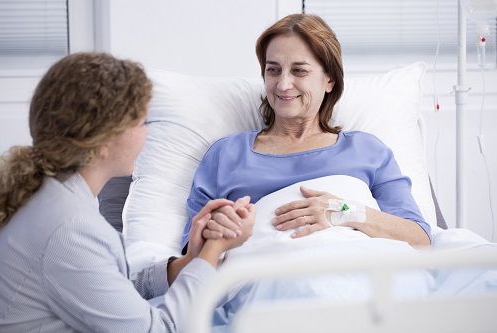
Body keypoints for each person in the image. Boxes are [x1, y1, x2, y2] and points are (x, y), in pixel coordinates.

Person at [0, 53, 255, 333]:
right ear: (104, 141)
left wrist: (184, 264)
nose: (147, 134)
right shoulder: (71, 229)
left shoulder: (48, 195)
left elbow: (103, 286)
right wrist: (214, 249)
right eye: (142, 123)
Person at [181, 13, 431, 255]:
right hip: (262, 285)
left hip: (358, 278)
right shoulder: (226, 154)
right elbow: (191, 256)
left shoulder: (367, 151)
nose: (283, 84)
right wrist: (215, 234)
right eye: (273, 70)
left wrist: (343, 211)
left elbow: (419, 239)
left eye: (299, 71)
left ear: (329, 80)